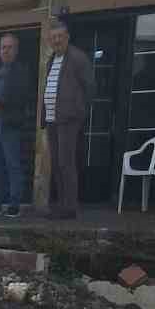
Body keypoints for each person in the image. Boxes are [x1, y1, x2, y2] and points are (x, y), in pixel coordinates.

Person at [42, 19, 94, 219]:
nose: (56, 40)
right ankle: (61, 204)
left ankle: (70, 207)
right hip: (52, 118)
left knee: (66, 162)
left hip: (69, 118)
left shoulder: (77, 58)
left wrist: (79, 111)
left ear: (67, 37)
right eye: (53, 37)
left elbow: (90, 87)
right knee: (56, 162)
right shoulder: (51, 59)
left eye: (60, 36)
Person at [0, 32, 30, 217]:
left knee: (12, 164)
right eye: (3, 47)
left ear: (16, 50)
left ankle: (14, 204)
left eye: (9, 47)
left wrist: (0, 104)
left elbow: (21, 95)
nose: (6, 51)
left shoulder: (21, 71)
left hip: (9, 123)